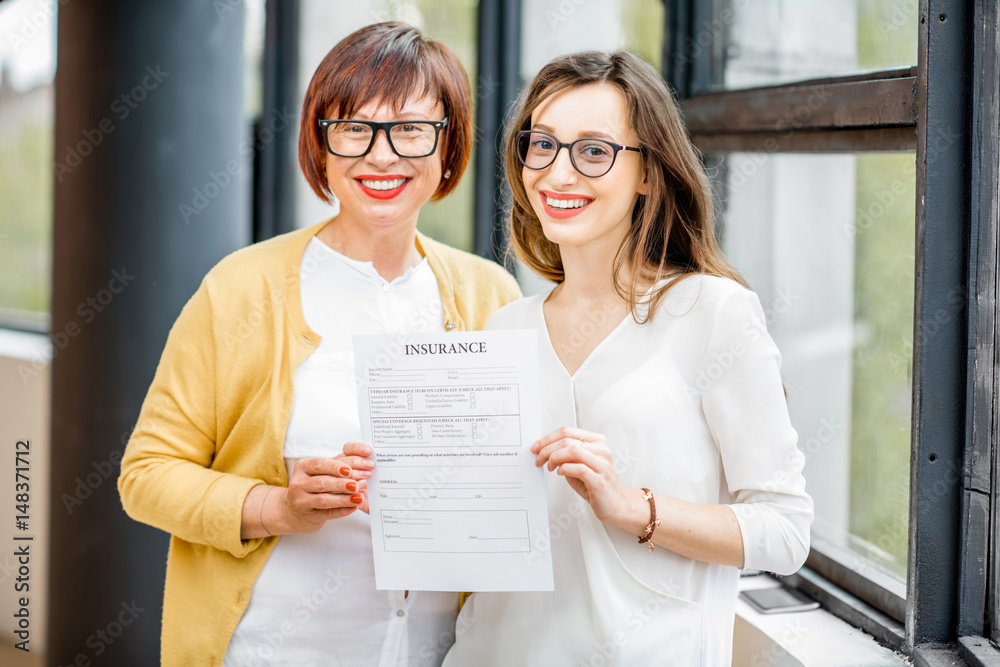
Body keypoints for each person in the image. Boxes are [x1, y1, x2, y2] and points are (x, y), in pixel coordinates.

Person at [118, 22, 520, 667]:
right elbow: (146, 476)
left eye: (412, 130)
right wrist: (277, 505)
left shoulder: (490, 294)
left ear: (449, 148)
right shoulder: (241, 288)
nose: (381, 156)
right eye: (354, 128)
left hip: (442, 652)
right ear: (320, 146)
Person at [443, 51, 813, 667]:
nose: (558, 174)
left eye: (594, 151)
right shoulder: (505, 327)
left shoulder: (712, 312)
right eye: (543, 145)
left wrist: (631, 506)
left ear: (648, 172)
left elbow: (785, 533)